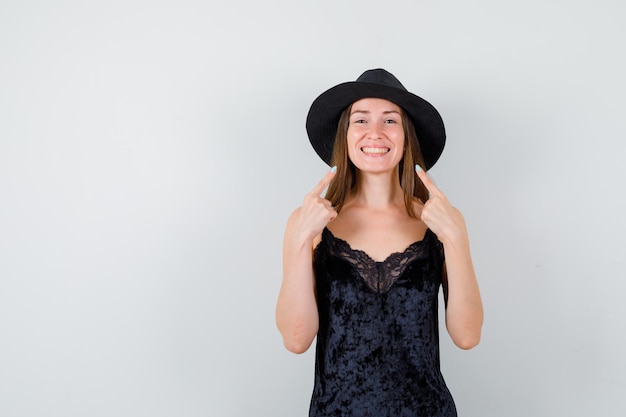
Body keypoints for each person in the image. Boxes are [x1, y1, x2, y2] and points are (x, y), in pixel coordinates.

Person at [276, 68, 483, 417]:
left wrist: (455, 237)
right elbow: (297, 340)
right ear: (345, 135)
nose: (375, 132)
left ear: (405, 137)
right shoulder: (308, 222)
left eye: (390, 121)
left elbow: (467, 335)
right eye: (361, 120)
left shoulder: (443, 221)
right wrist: (301, 243)